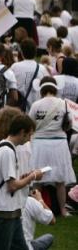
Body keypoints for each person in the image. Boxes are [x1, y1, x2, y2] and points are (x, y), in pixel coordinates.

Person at [0, 114, 43, 249]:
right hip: (2, 213)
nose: (29, 140)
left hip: (11, 212)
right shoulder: (7, 151)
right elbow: (11, 186)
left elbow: (8, 181)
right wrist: (32, 176)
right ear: (22, 132)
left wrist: (24, 179)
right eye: (29, 135)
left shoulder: (7, 147)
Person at [28, 77, 76, 217]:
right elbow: (69, 124)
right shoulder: (64, 104)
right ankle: (63, 210)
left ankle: (38, 211)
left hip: (40, 143)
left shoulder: (36, 105)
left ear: (41, 89)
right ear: (55, 89)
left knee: (38, 178)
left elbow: (30, 124)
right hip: (58, 143)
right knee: (60, 179)